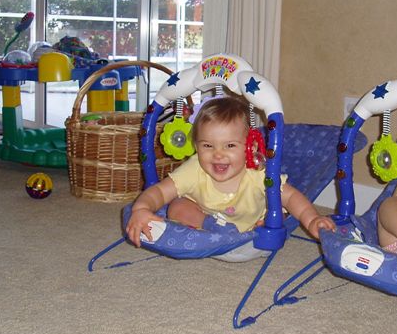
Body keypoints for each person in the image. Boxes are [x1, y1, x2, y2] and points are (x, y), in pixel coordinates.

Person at [126, 96, 336, 247]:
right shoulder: (194, 169)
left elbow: (291, 197)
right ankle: (212, 227)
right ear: (196, 146)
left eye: (230, 146)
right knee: (177, 206)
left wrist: (312, 219)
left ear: (250, 147)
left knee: (277, 214)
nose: (218, 155)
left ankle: (252, 229)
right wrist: (141, 209)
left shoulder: (257, 172)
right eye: (208, 146)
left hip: (252, 225)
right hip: (206, 220)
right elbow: (160, 191)